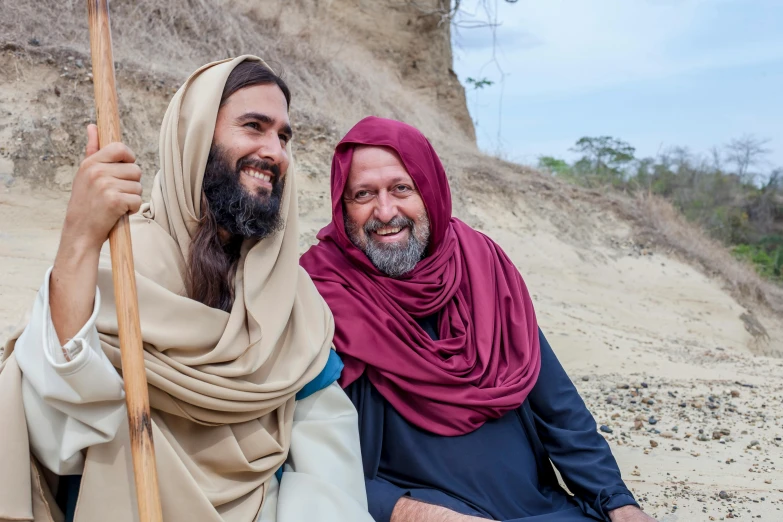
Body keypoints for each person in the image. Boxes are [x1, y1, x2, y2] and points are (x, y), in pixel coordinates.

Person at [0, 56, 371, 522]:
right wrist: (78, 237)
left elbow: (328, 461)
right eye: (254, 126)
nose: (275, 151)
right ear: (194, 137)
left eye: (283, 136)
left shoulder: (292, 297)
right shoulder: (117, 263)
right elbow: (55, 434)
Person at [300, 116, 657, 522]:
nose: (385, 211)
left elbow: (559, 409)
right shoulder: (320, 292)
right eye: (363, 194)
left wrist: (617, 501)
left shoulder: (482, 267)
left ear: (430, 190)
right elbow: (313, 459)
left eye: (402, 188)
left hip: (539, 510)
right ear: (342, 207)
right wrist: (414, 514)